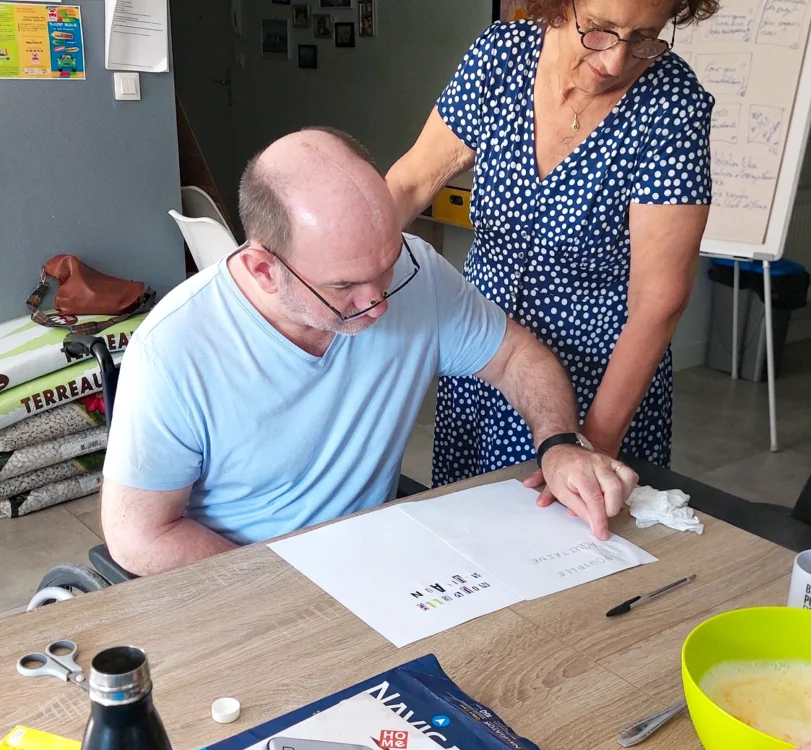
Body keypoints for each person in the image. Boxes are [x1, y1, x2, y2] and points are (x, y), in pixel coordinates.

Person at [101, 128, 638, 576]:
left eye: (387, 267)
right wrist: (288, 586)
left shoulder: (418, 272)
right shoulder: (175, 349)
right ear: (264, 269)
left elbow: (517, 357)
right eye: (345, 287)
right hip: (247, 579)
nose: (379, 304)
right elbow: (139, 536)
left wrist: (560, 443)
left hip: (375, 561)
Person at [387, 0, 723, 488]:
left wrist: (589, 443)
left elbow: (659, 301)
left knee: (565, 536)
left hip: (595, 381)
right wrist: (330, 272)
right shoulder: (500, 58)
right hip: (483, 356)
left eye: (644, 37)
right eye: (599, 27)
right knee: (465, 525)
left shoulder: (671, 106)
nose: (615, 59)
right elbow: (410, 183)